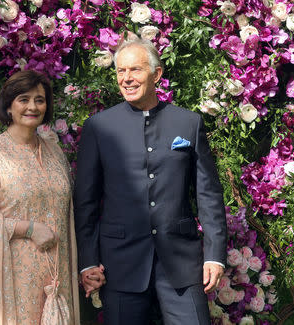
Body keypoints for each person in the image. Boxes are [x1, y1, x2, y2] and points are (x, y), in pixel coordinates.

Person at [74, 39, 227, 324]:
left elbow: (208, 193)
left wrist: (215, 255)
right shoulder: (99, 127)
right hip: (119, 262)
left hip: (181, 261)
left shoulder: (188, 123)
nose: (126, 79)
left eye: (135, 70)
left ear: (156, 74)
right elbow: (86, 202)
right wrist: (88, 261)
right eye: (120, 71)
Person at [0, 70, 80, 324]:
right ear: (9, 106)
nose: (32, 107)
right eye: (23, 99)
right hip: (11, 279)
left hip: (55, 277)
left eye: (39, 99)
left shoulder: (54, 152)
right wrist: (28, 229)